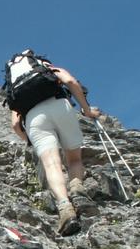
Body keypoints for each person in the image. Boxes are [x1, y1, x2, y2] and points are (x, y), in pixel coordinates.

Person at [10, 54, 100, 236]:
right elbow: (71, 81)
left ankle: (65, 207)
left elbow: (15, 124)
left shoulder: (15, 86)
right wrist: (87, 110)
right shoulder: (45, 68)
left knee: (51, 164)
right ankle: (77, 190)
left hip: (33, 118)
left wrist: (29, 139)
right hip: (60, 106)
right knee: (74, 159)